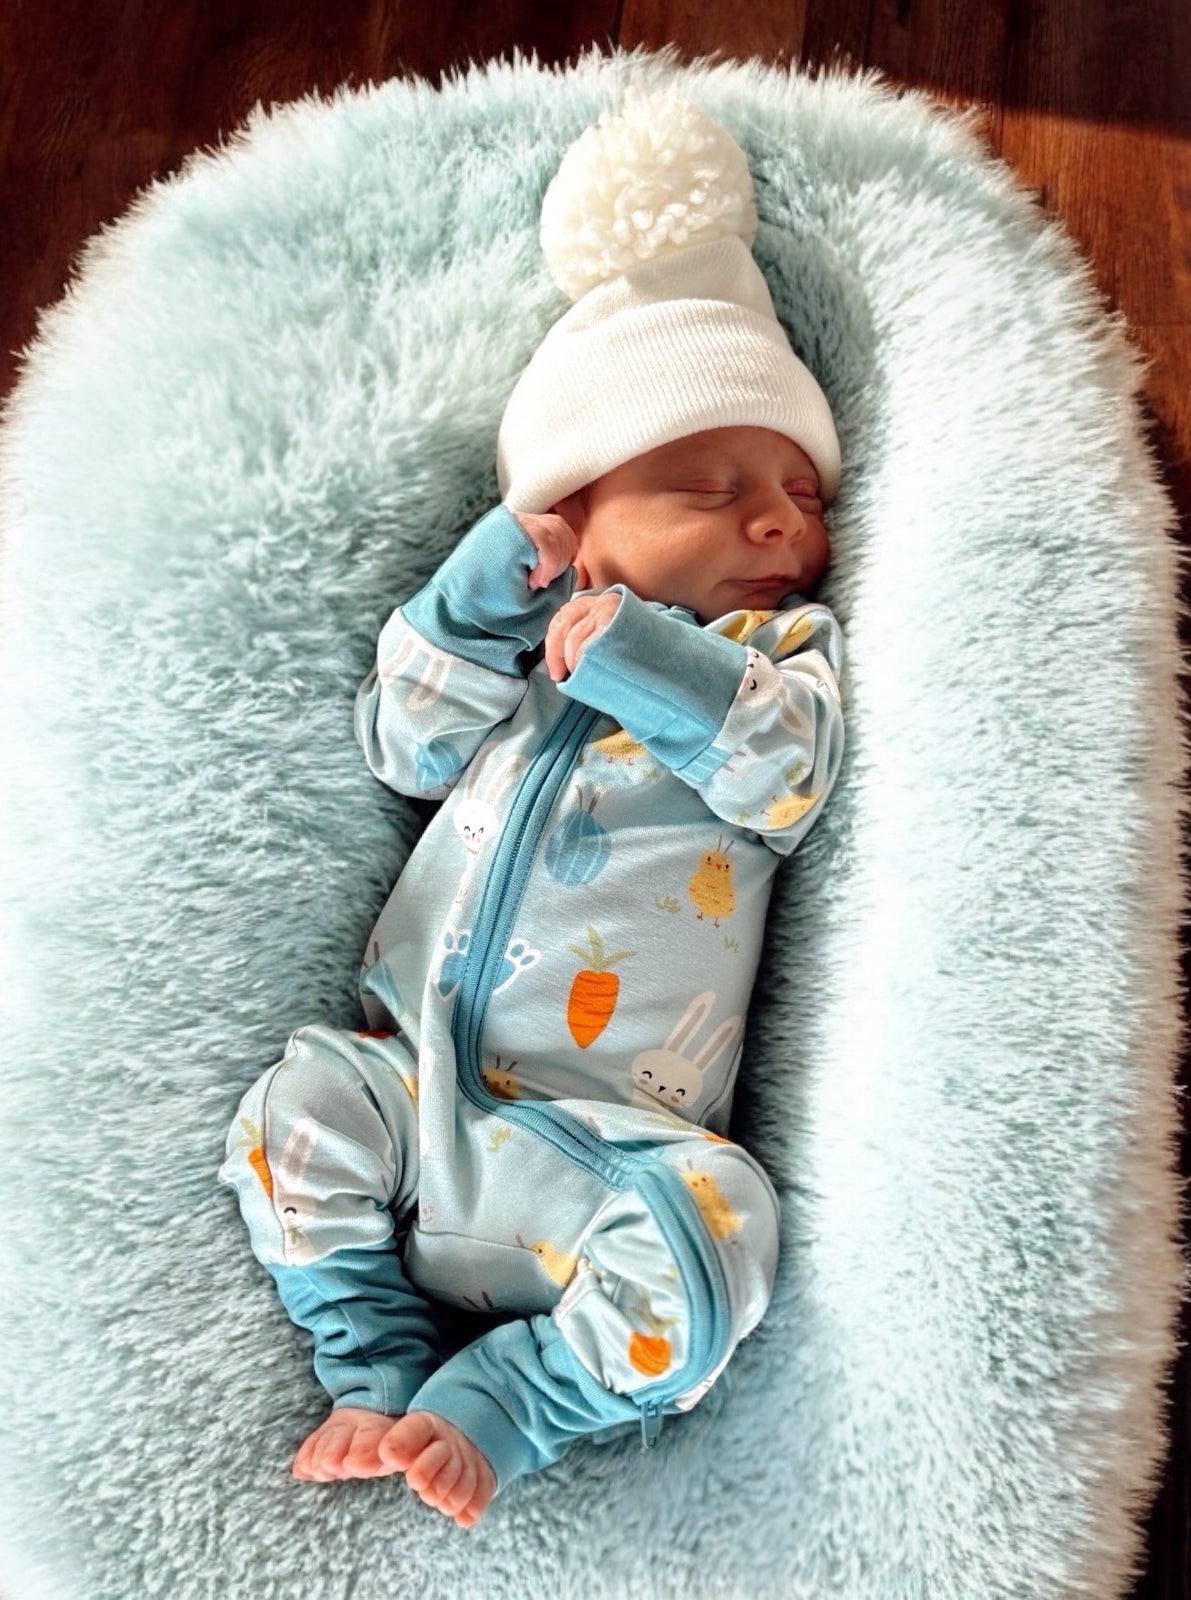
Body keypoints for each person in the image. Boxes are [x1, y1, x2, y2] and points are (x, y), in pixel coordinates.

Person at [219, 84, 846, 1530]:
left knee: (728, 1239)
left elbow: (791, 776)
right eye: (708, 482)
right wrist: (478, 593)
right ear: (573, 511)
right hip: (411, 1091)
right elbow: (404, 751)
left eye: (799, 490)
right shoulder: (506, 650)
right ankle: (371, 1359)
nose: (778, 521)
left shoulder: (772, 658)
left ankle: (514, 1396)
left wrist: (649, 659)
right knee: (289, 1114)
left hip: (612, 1146)